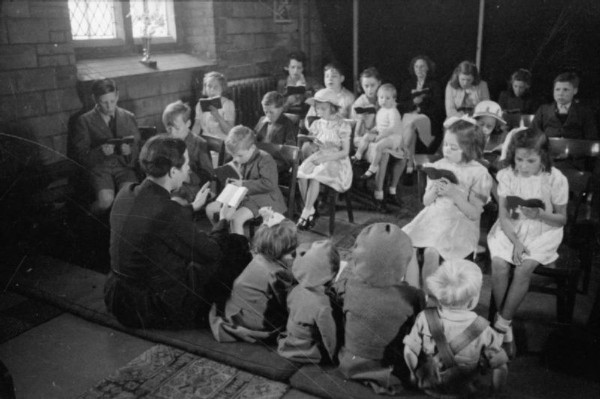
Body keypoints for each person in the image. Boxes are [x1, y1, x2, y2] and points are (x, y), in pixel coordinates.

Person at [105, 135, 251, 329]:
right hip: (155, 307)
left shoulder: (126, 191)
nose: (189, 170)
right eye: (186, 165)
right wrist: (223, 220)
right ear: (173, 171)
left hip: (119, 299)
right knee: (230, 249)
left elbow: (154, 217)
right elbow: (211, 252)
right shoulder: (168, 211)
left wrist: (192, 207)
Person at [487, 129, 568, 357]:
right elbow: (503, 216)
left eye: (530, 161)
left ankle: (500, 326)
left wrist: (539, 215)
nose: (523, 166)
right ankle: (507, 328)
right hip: (511, 228)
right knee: (500, 264)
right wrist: (515, 242)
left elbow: (562, 218)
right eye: (519, 159)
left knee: (524, 267)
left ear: (543, 156)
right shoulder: (507, 175)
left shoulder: (555, 178)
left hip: (544, 229)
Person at [336, 223, 426, 394]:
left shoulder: (349, 285)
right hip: (388, 370)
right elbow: (419, 322)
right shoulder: (413, 295)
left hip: (348, 363)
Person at [403, 119, 492, 288]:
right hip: (434, 217)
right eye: (445, 145)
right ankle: (415, 293)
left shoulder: (479, 173)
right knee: (406, 244)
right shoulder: (439, 165)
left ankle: (431, 296)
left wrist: (454, 194)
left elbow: (473, 213)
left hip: (460, 223)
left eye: (453, 147)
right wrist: (434, 191)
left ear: (470, 149)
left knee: (431, 251)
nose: (447, 150)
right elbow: (426, 202)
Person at [403, 260, 509, 398]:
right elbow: (500, 366)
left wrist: (413, 374)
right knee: (499, 360)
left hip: (430, 385)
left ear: (439, 296)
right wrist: (495, 392)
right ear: (472, 300)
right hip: (464, 389)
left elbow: (409, 350)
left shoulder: (424, 317)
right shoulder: (483, 329)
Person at [210, 208, 297, 343]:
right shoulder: (276, 273)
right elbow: (288, 302)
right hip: (253, 320)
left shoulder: (259, 257)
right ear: (287, 249)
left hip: (235, 309)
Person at [72, 78, 140, 213]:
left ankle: (118, 227)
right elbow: (80, 156)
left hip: (124, 167)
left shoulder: (128, 117)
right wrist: (100, 152)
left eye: (112, 101)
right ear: (94, 99)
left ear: (117, 95)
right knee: (105, 201)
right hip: (100, 169)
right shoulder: (84, 121)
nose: (109, 107)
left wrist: (129, 152)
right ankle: (88, 218)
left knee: (130, 198)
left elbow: (137, 149)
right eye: (104, 102)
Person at [206, 126, 287, 235]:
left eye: (239, 155)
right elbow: (237, 172)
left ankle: (241, 248)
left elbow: (270, 184)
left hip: (265, 198)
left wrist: (242, 183)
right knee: (210, 209)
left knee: (236, 219)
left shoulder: (265, 159)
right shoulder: (242, 156)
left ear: (252, 148)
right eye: (233, 155)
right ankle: (223, 237)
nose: (236, 159)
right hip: (244, 195)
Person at [296, 88, 353, 230]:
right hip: (320, 155)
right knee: (300, 174)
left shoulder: (342, 125)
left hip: (337, 161)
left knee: (315, 176)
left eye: (322, 108)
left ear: (332, 108)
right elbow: (316, 143)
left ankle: (306, 213)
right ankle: (310, 209)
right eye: (317, 108)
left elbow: (345, 152)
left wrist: (325, 157)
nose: (318, 112)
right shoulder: (317, 124)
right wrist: (314, 145)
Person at [277, 239, 340, 364]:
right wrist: (334, 358)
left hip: (289, 344)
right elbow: (329, 338)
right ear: (331, 275)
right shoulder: (323, 306)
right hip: (307, 350)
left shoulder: (294, 290)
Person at [353, 84, 405, 208]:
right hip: (380, 136)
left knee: (387, 150)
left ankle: (375, 170)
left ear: (394, 99)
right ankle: (358, 155)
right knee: (375, 145)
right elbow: (379, 126)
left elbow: (392, 128)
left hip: (392, 138)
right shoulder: (380, 110)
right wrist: (374, 131)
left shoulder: (392, 111)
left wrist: (380, 135)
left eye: (387, 98)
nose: (383, 100)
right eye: (381, 97)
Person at [163, 100, 214, 204]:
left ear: (188, 124)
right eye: (169, 129)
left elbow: (208, 174)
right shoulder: (167, 142)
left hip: (191, 188)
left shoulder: (199, 144)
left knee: (173, 204)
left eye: (176, 128)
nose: (172, 133)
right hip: (170, 185)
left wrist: (187, 177)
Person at [398, 55, 443, 165]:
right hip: (409, 115)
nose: (419, 69)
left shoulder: (435, 85)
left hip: (427, 118)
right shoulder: (408, 84)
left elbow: (438, 107)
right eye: (416, 67)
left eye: (422, 66)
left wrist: (421, 107)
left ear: (428, 68)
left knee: (413, 125)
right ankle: (407, 164)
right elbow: (401, 104)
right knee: (410, 129)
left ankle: (403, 155)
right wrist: (413, 103)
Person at [533, 72, 598, 139]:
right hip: (548, 148)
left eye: (565, 90)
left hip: (575, 148)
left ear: (575, 91)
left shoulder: (584, 112)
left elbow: (591, 138)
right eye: (557, 89)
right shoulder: (543, 110)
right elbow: (533, 133)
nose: (560, 93)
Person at [304, 62, 355, 128]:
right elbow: (308, 120)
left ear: (342, 78)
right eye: (327, 76)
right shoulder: (319, 95)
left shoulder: (349, 97)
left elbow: (353, 121)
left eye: (334, 76)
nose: (330, 79)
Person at [191, 71, 235, 139]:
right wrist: (192, 140)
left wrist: (217, 116)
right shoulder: (200, 104)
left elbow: (229, 132)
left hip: (222, 141)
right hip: (206, 140)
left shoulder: (228, 104)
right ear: (205, 87)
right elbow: (197, 125)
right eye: (209, 86)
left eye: (216, 87)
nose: (212, 90)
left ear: (222, 88)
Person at [277, 51, 320, 117]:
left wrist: (306, 97)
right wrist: (288, 102)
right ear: (287, 68)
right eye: (293, 67)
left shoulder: (310, 82)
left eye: (299, 68)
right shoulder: (282, 83)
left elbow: (322, 95)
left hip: (306, 116)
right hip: (288, 116)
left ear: (302, 69)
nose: (295, 71)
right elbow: (278, 106)